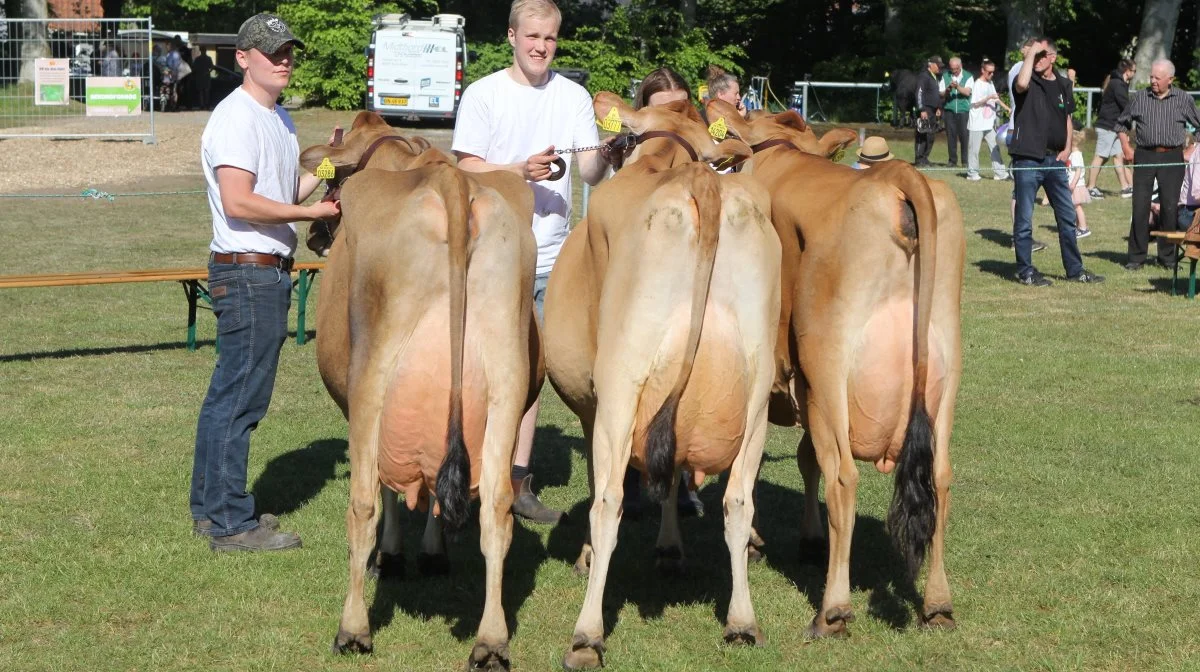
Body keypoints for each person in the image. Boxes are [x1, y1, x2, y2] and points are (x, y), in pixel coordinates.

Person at [452, 0, 609, 525]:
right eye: (533, 37)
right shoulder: (484, 94)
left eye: (551, 39)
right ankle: (470, 471)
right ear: (512, 37)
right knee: (481, 366)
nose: (542, 47)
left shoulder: (574, 96)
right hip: (489, 256)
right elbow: (466, 167)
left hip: (554, 258)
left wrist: (612, 151)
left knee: (533, 373)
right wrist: (518, 171)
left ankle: (517, 480)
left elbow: (588, 169)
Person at [192, 13, 341, 551]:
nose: (283, 60)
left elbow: (283, 189)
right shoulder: (236, 118)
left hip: (259, 270)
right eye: (271, 51)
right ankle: (231, 524)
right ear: (243, 58)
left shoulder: (277, 118)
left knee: (228, 396)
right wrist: (309, 216)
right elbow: (240, 201)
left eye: (288, 52)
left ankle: (213, 511)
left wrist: (326, 171)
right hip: (248, 271)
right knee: (241, 401)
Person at [1009, 37, 1103, 286]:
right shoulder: (1027, 80)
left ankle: (1075, 270)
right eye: (1034, 56)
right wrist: (1031, 53)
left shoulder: (1062, 83)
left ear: (1053, 58)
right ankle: (1026, 272)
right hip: (1027, 159)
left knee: (1066, 216)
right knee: (1024, 218)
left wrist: (1068, 147)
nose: (1037, 60)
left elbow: (1068, 118)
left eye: (1042, 55)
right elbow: (1020, 82)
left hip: (1055, 160)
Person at [1115, 58, 1200, 271]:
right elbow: (1121, 124)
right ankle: (1136, 258)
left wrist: (1190, 150)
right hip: (1144, 155)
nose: (1152, 81)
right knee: (1140, 206)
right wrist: (1126, 147)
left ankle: (1168, 258)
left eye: (1157, 78)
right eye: (1151, 76)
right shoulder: (1140, 98)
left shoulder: (1183, 99)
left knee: (1170, 207)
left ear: (1169, 79)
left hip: (1172, 156)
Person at [1086, 59, 1135, 199]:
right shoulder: (1117, 84)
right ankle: (1090, 188)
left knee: (1119, 156)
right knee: (1100, 156)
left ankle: (1126, 187)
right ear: (1128, 71)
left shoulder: (1122, 83)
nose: (1135, 73)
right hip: (1107, 126)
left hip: (1116, 127)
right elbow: (1126, 105)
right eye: (1134, 71)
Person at [966, 58, 1010, 181]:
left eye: (993, 72)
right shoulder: (977, 84)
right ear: (982, 70)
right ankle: (972, 174)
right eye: (989, 72)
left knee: (995, 146)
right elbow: (975, 103)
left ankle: (1000, 173)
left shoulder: (990, 83)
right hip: (976, 124)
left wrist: (1008, 109)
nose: (991, 74)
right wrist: (988, 97)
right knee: (974, 150)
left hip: (988, 124)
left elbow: (996, 98)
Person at [940, 57, 973, 168]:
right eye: (952, 69)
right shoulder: (945, 76)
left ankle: (965, 161)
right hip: (949, 110)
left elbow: (968, 92)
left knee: (964, 136)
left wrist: (957, 86)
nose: (953, 71)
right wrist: (948, 89)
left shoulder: (968, 76)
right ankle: (952, 161)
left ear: (960, 66)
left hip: (963, 110)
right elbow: (941, 94)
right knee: (951, 136)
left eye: (956, 69)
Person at [913, 55, 943, 167]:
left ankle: (925, 158)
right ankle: (919, 159)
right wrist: (922, 109)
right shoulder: (924, 76)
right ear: (931, 65)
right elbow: (919, 93)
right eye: (938, 65)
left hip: (933, 110)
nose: (940, 68)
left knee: (930, 135)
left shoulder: (934, 77)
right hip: (926, 109)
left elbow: (936, 95)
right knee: (922, 134)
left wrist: (939, 107)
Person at [1066, 128, 1091, 237]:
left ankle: (1083, 228)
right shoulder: (1073, 154)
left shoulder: (1076, 155)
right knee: (1075, 206)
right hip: (1074, 185)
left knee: (1077, 207)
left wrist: (1073, 184)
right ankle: (1078, 227)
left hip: (1076, 186)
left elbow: (1078, 171)